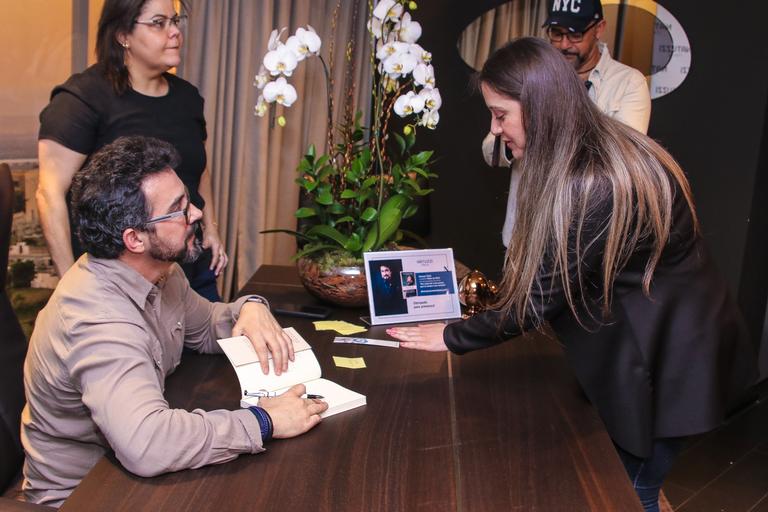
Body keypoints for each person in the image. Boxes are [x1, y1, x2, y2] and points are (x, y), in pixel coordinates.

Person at [388, 38, 757, 512]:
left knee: (630, 492)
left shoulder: (593, 182)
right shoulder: (585, 153)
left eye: (501, 114)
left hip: (668, 359)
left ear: (541, 107)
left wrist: (452, 335)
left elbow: (538, 300)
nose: (495, 128)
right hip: (645, 345)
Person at [20, 136, 328, 507]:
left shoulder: (160, 272)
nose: (197, 214)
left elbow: (206, 325)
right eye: (179, 209)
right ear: (134, 238)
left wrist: (250, 308)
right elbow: (147, 444)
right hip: (85, 493)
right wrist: (265, 422)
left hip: (125, 469)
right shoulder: (97, 320)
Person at [36, 0, 226, 301]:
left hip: (188, 265)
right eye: (159, 23)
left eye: (175, 21)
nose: (175, 32)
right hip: (118, 281)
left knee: (212, 342)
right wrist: (69, 289)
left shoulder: (188, 98)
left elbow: (198, 170)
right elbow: (49, 194)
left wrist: (211, 229)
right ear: (123, 34)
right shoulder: (82, 99)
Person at [482, 0, 652, 246]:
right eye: (556, 34)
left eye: (575, 34)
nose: (563, 44)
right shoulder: (532, 79)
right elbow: (490, 151)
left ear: (599, 28)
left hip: (587, 240)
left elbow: (623, 164)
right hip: (526, 233)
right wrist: (517, 131)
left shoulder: (628, 83)